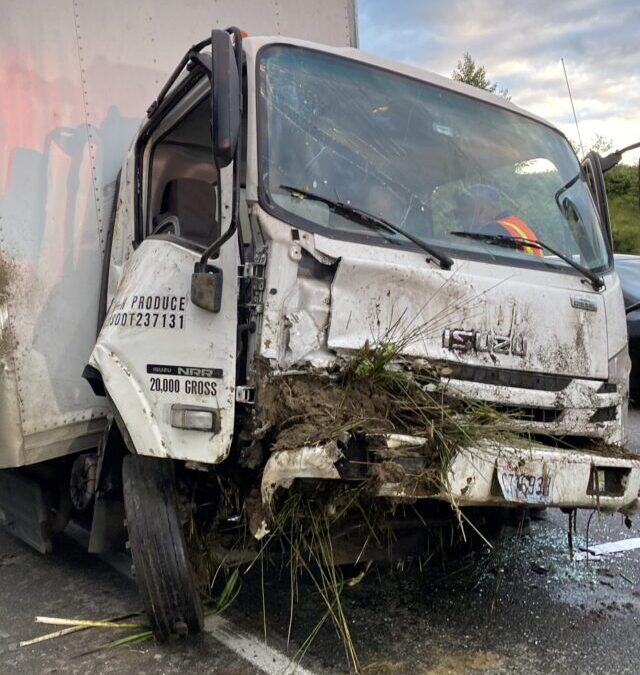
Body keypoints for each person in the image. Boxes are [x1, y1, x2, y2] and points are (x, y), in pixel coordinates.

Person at [466, 184, 542, 257]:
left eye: (474, 208)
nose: (474, 214)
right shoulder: (515, 223)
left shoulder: (492, 229)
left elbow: (473, 261)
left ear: (485, 206)